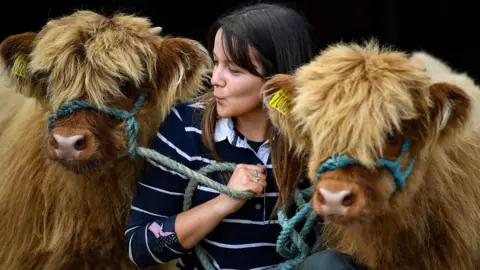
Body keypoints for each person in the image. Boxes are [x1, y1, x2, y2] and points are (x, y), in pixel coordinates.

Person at [125, 3, 366, 269]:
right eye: (216, 62)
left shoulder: (318, 137)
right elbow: (141, 248)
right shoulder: (184, 126)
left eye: (234, 70)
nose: (216, 78)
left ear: (276, 76)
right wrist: (223, 203)